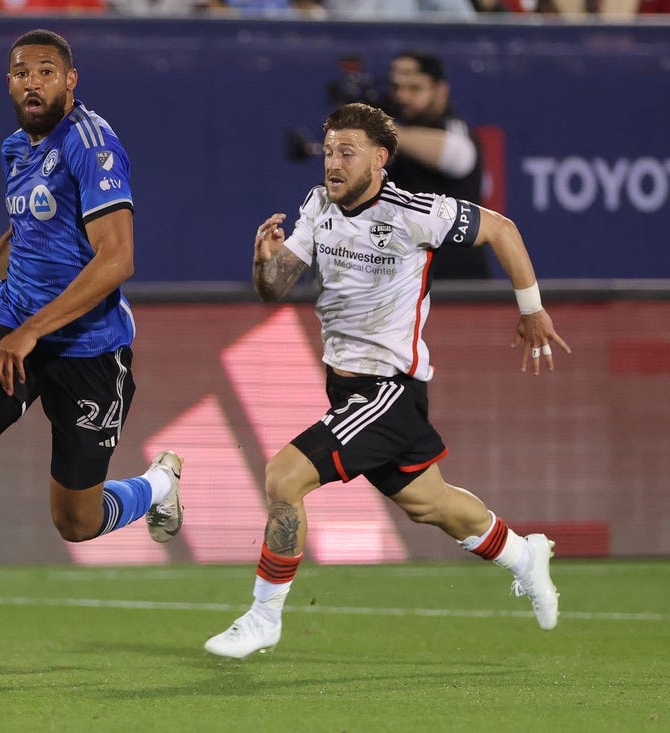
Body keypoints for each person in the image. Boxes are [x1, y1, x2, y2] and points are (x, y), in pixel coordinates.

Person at [204, 102, 570, 659]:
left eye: (346, 152)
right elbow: (275, 289)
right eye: (328, 151)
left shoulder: (413, 211)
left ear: (380, 159)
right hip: (346, 388)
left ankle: (263, 617)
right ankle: (524, 555)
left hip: (387, 389)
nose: (333, 162)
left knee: (284, 478)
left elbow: (502, 228)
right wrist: (265, 262)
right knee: (431, 505)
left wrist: (531, 309)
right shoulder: (316, 205)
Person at [0, 28, 184, 683]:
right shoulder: (16, 148)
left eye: (46, 72)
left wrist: (32, 333)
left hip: (88, 348)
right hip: (12, 332)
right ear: (7, 83)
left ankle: (158, 485)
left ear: (70, 80)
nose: (33, 82)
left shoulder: (92, 145)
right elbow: (20, 236)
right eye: (21, 72)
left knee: (75, 522)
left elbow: (118, 258)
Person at [387, 51, 489, 279]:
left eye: (414, 88)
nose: (403, 96)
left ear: (440, 91)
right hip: (408, 280)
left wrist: (379, 129)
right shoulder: (397, 136)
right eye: (397, 87)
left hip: (458, 281)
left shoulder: (453, 127)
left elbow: (461, 156)